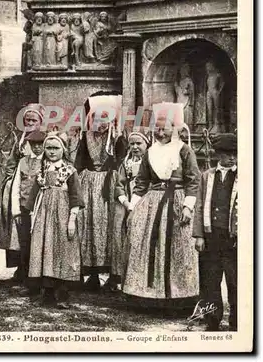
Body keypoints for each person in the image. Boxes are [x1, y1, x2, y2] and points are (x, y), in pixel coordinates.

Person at [122, 102, 201, 307]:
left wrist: (188, 205)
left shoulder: (184, 150)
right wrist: (133, 207)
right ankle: (150, 297)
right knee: (147, 243)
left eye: (164, 128)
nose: (159, 132)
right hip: (153, 204)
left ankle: (180, 298)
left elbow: (194, 180)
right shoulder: (150, 152)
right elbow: (141, 183)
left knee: (178, 250)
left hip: (177, 202)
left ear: (174, 128)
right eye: (156, 128)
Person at [26, 132, 84, 309]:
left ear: (63, 150)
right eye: (48, 148)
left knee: (63, 250)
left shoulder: (70, 171)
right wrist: (31, 215)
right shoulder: (42, 171)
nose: (52, 152)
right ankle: (47, 293)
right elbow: (34, 196)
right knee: (44, 251)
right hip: (43, 217)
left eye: (56, 148)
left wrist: (72, 219)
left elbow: (76, 197)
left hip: (63, 216)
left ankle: (63, 294)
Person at [74, 91, 125, 291]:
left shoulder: (118, 139)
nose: (101, 122)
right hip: (88, 184)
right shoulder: (85, 138)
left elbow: (121, 162)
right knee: (88, 226)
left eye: (105, 117)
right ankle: (92, 273)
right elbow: (79, 163)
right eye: (97, 117)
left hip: (109, 185)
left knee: (109, 227)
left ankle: (112, 275)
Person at [193, 133, 237, 331]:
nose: (232, 158)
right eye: (227, 154)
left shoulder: (244, 176)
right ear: (218, 154)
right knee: (211, 281)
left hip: (233, 240)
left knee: (235, 282)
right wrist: (200, 235)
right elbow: (200, 206)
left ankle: (237, 321)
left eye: (235, 154)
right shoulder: (207, 176)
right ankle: (212, 320)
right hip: (211, 238)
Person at [0, 103, 45, 283]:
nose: (30, 123)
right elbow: (10, 163)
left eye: (34, 120)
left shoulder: (45, 139)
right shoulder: (20, 139)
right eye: (27, 120)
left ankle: (36, 270)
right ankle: (20, 268)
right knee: (17, 231)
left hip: (37, 187)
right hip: (19, 185)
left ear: (40, 122)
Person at [110, 130, 150, 290]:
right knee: (122, 234)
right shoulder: (125, 163)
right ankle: (121, 276)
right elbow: (119, 185)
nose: (135, 147)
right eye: (132, 144)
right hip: (127, 202)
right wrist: (126, 202)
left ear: (146, 144)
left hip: (146, 201)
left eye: (138, 143)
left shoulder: (151, 162)